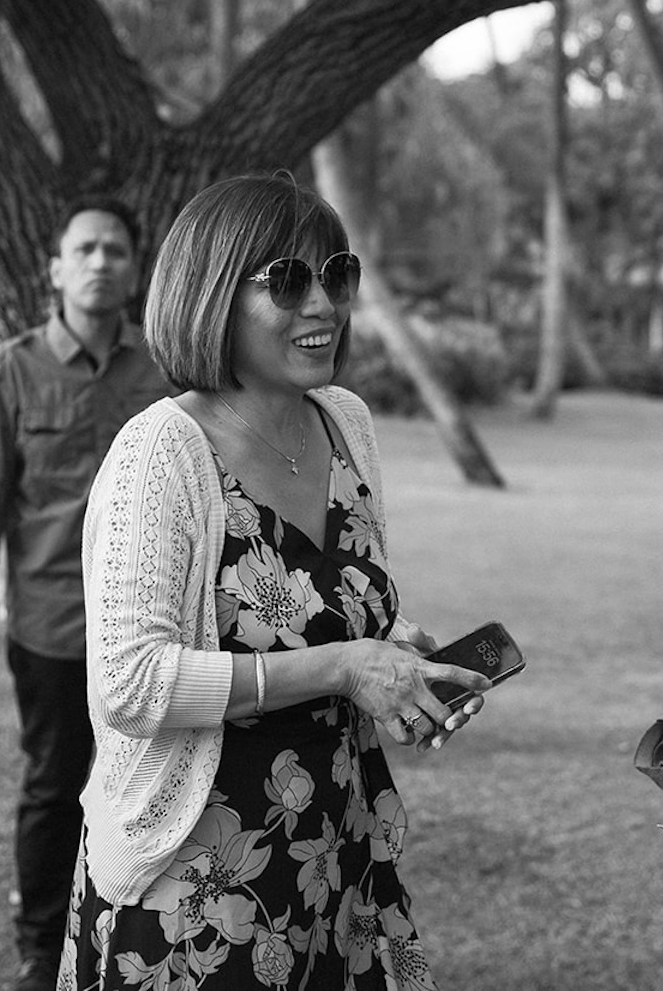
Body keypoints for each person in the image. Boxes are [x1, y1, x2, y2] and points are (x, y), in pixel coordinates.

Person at [60, 173, 492, 990]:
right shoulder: (160, 451)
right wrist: (343, 667)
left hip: (337, 852)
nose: (323, 304)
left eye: (336, 274)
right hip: (197, 879)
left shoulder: (345, 421)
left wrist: (398, 661)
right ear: (211, 293)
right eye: (287, 282)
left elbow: (330, 604)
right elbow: (128, 683)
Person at [0, 197, 171, 991]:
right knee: (53, 786)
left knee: (149, 782)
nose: (102, 261)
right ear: (56, 268)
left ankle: (134, 928)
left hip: (156, 631)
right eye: (86, 249)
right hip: (50, 626)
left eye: (117, 249)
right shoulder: (14, 369)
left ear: (135, 267)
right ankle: (42, 948)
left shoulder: (164, 372)